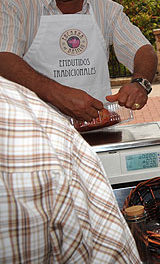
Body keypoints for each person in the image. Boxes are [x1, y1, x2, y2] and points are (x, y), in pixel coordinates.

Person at [0, 0, 158, 122]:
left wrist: (140, 83)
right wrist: (58, 95)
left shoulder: (107, 10)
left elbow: (144, 50)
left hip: (98, 128)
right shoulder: (14, 5)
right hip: (35, 131)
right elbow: (5, 59)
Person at [0, 75, 141, 263]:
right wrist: (55, 93)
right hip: (56, 129)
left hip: (101, 133)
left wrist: (141, 82)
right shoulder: (34, 140)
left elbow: (143, 51)